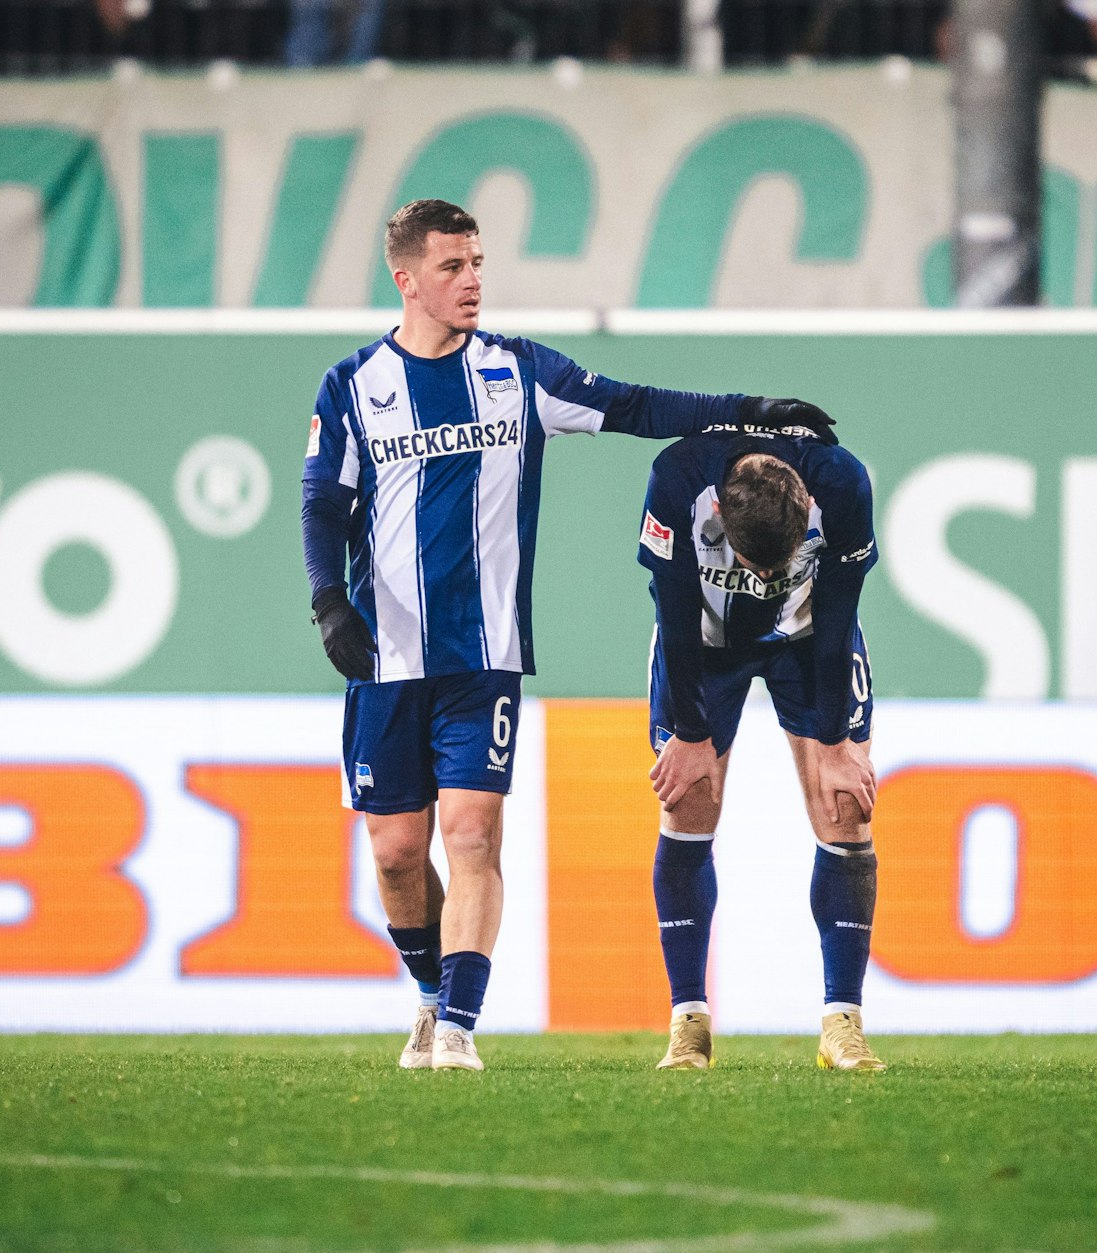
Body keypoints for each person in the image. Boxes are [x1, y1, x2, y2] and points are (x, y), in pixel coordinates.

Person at [301, 198, 835, 1072]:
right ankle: (431, 999)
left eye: (477, 262)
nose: (472, 280)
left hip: (487, 657)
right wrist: (330, 601)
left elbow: (633, 404)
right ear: (405, 279)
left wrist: (749, 411)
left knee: (472, 837)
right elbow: (324, 501)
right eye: (451, 267)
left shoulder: (520, 373)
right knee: (398, 852)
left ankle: (459, 1030)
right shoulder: (354, 386)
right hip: (388, 655)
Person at [640, 427, 882, 1072]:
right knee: (686, 803)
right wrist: (691, 735)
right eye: (756, 564)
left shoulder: (843, 481)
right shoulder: (678, 478)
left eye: (780, 563)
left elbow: (838, 611)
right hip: (704, 643)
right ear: (719, 508)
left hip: (808, 640)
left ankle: (843, 1022)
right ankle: (687, 1020)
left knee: (845, 807)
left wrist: (834, 741)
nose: (767, 577)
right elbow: (671, 605)